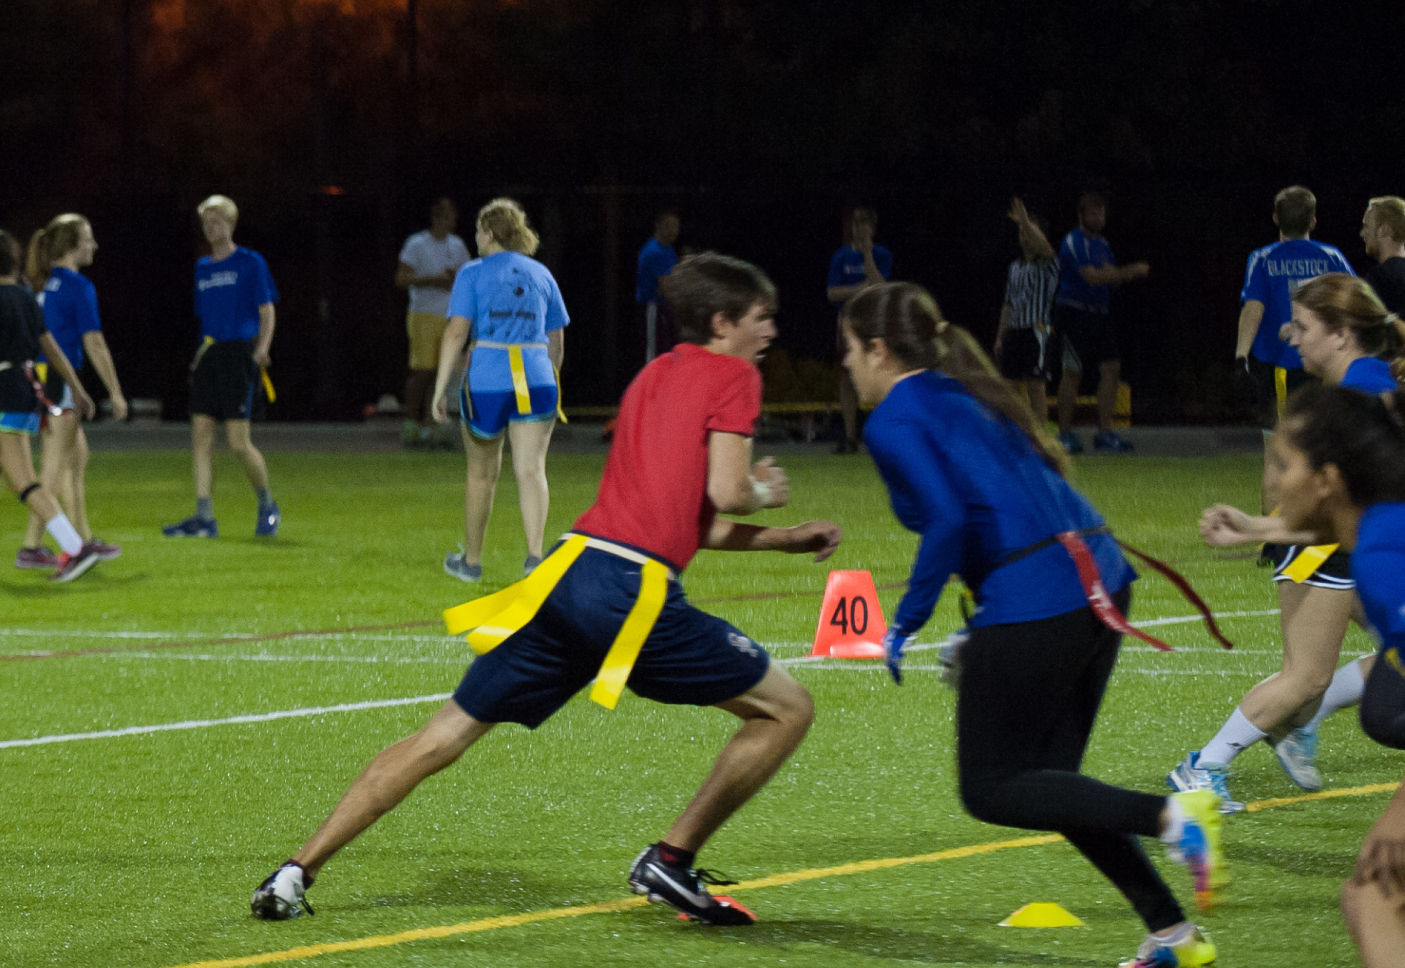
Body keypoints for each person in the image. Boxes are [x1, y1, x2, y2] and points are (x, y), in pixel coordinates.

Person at [251, 253, 838, 927]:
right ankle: (671, 861)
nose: (770, 331)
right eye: (762, 318)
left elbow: (687, 520)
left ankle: (295, 873)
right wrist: (765, 489)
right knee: (787, 709)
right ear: (723, 321)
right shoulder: (736, 374)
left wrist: (784, 537)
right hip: (627, 591)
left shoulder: (653, 375)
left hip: (567, 573)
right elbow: (728, 492)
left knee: (442, 737)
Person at [841, 281, 1222, 968]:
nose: (845, 365)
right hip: (1098, 579)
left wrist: (906, 622)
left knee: (992, 787)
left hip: (1042, 597)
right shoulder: (966, 392)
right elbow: (1006, 506)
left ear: (876, 348)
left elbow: (951, 523)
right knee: (1055, 786)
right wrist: (985, 632)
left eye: (848, 350)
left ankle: (1173, 817)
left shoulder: (893, 417)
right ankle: (1173, 935)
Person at [1178, 273, 1403, 809]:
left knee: (1349, 667)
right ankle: (1204, 767)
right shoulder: (1363, 389)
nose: (1291, 337)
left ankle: (1298, 725)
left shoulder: (1361, 397)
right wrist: (1259, 528)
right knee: (1307, 676)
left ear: (1343, 334)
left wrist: (1259, 528)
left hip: (1345, 547)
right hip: (1337, 548)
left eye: (1302, 327)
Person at [1278, 388, 1405, 965]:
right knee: (1370, 898)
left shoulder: (1384, 560)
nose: (1274, 481)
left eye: (1284, 466)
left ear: (1327, 480)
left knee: (1373, 898)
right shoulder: (1381, 534)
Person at [0, 227, 106, 582]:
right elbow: (53, 349)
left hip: (6, 392)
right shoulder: (28, 296)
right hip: (27, 391)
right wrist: (79, 389)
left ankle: (75, 548)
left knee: (24, 483)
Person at [433, 199, 567, 585]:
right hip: (536, 375)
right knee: (531, 470)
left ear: (489, 233)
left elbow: (456, 332)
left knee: (481, 474)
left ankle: (471, 563)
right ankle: (536, 558)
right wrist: (551, 379)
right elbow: (555, 341)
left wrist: (440, 388)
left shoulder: (473, 272)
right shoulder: (542, 273)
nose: (475, 238)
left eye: (478, 230)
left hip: (489, 377)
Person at [11, 213, 129, 569]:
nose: (94, 245)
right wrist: (116, 391)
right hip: (58, 381)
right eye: (88, 239)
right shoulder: (78, 286)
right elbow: (94, 342)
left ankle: (83, 539)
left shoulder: (40, 283)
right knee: (52, 466)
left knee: (76, 459)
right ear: (73, 247)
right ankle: (32, 546)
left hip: (37, 377)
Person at [162, 196, 280, 538]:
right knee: (200, 435)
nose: (211, 228)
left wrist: (262, 348)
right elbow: (205, 314)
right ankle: (204, 517)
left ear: (231, 223)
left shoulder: (250, 262)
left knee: (239, 442)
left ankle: (267, 505)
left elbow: (266, 310)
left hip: (239, 355)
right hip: (209, 353)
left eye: (217, 221)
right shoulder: (203, 267)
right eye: (206, 222)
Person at [1238, 186, 1358, 427]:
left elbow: (1254, 306)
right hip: (1323, 358)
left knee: (1280, 435)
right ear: (1312, 221)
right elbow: (1354, 302)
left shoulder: (1262, 258)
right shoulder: (1331, 256)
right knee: (1320, 430)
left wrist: (1241, 355)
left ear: (1275, 219)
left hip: (1277, 358)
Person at [1054, 191, 1151, 453]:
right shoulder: (1073, 241)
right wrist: (1130, 271)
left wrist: (1119, 276)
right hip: (1074, 312)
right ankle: (1064, 434)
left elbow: (1111, 277)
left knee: (1111, 368)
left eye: (1102, 212)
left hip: (1100, 313)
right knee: (1073, 372)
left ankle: (1105, 433)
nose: (1098, 217)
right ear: (1081, 215)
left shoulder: (1103, 244)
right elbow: (1093, 277)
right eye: (1093, 212)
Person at [397, 198, 472, 451]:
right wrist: (433, 280)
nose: (453, 221)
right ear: (437, 218)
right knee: (423, 372)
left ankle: (431, 426)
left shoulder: (457, 245)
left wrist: (455, 280)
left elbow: (468, 275)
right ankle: (411, 423)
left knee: (443, 372)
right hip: (423, 314)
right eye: (448, 216)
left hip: (449, 316)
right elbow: (402, 277)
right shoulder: (417, 244)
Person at [823, 207, 894, 454]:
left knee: (879, 373)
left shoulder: (882, 254)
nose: (859, 228)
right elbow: (832, 293)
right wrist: (861, 287)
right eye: (856, 223)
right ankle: (850, 437)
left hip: (874, 321)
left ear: (872, 228)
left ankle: (884, 436)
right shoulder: (840, 257)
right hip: (847, 322)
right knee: (847, 378)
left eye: (865, 224)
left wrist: (867, 256)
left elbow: (881, 286)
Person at [997, 198, 1061, 437]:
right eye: (1021, 231)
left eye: (1028, 231)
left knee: (1036, 386)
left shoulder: (1048, 265)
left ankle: (1040, 438)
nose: (1024, 235)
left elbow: (1045, 247)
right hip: (1015, 330)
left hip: (1037, 331)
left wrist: (1024, 219)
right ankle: (1014, 435)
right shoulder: (1015, 267)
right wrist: (1000, 336)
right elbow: (1008, 303)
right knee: (1011, 387)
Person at [636, 209, 682, 364]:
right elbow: (666, 286)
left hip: (664, 309)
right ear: (658, 226)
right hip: (652, 308)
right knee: (653, 353)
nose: (673, 230)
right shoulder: (654, 251)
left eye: (676, 226)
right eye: (668, 225)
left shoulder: (668, 250)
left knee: (665, 352)